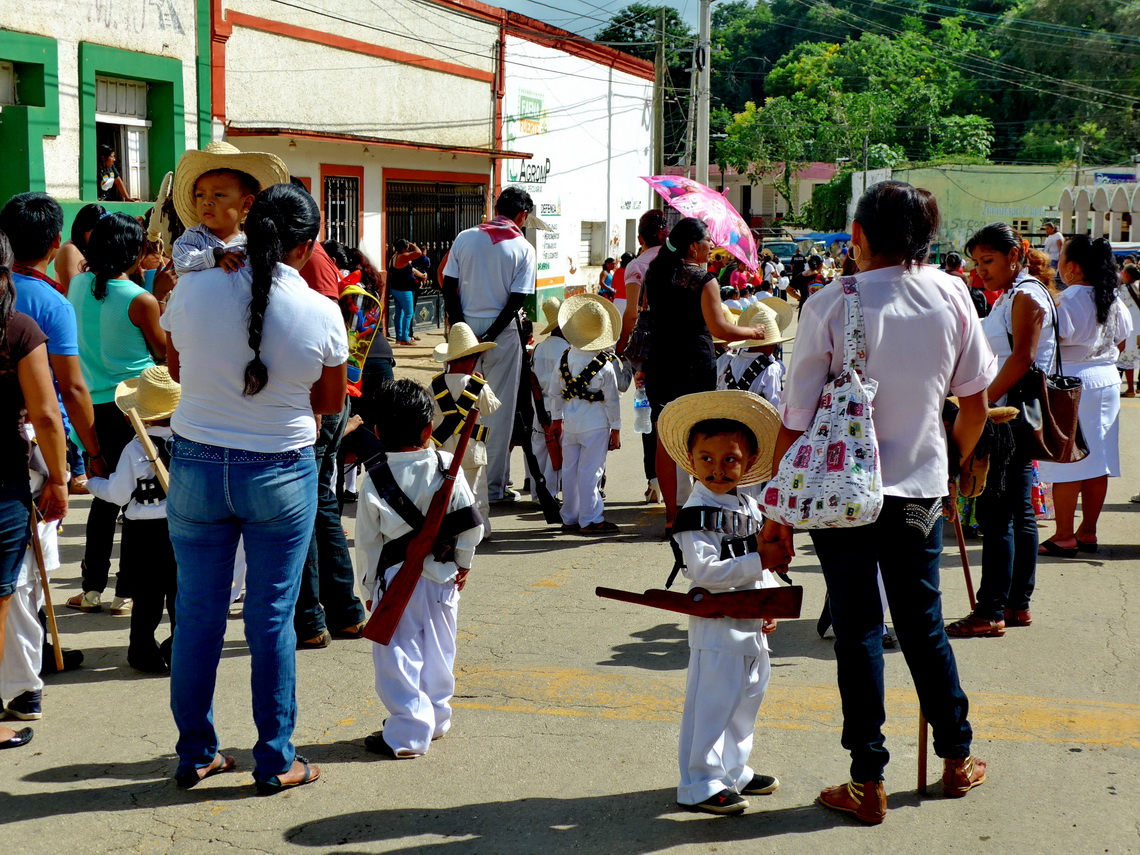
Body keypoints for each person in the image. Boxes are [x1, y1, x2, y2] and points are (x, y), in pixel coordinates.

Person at [766, 181, 994, 824]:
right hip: (920, 491)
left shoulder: (830, 303)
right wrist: (950, 462)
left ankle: (867, 780)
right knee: (923, 624)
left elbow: (795, 419)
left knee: (858, 630)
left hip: (842, 495)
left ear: (859, 236)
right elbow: (974, 403)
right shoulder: (953, 293)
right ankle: (957, 757)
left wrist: (777, 513)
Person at [161, 182, 348, 793]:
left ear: (250, 222)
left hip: (194, 464)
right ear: (309, 243)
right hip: (280, 467)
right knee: (271, 619)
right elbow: (327, 401)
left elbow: (178, 369)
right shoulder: (323, 309)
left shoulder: (191, 287)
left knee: (196, 616)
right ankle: (275, 759)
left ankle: (195, 754)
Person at [658, 390, 788, 815]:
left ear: (748, 462)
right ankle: (700, 781)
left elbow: (764, 561)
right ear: (691, 460)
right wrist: (759, 561)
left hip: (752, 624)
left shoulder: (749, 505)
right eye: (706, 458)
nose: (718, 469)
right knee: (713, 703)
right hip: (717, 625)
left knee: (747, 700)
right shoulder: (696, 513)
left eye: (730, 458)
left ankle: (734, 769)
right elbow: (705, 572)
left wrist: (768, 599)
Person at [356, 379, 484, 759]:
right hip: (444, 577)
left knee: (398, 655)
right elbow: (470, 524)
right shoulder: (448, 465)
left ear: (377, 433)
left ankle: (411, 731)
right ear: (428, 430)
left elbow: (367, 543)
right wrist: (463, 564)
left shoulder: (373, 478)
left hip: (395, 581)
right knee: (441, 649)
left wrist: (368, 590)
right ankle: (437, 716)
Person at [949, 223, 1057, 637]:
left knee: (999, 515)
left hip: (1009, 414)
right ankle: (1016, 605)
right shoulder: (1016, 293)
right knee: (1017, 512)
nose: (982, 271)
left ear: (1016, 255)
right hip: (1012, 410)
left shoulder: (1026, 294)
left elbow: (1022, 360)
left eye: (989, 261)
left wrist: (979, 403)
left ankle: (991, 609)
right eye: (978, 263)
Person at [66, 212, 165, 615]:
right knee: (139, 502)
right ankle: (127, 591)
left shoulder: (77, 284)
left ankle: (91, 588)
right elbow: (161, 354)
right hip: (135, 409)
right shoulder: (139, 299)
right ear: (137, 252)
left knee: (104, 498)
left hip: (93, 406)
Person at [642, 217, 767, 530]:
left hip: (660, 361)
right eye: (708, 241)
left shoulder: (656, 271)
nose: (712, 246)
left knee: (664, 438)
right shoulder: (702, 279)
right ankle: (704, 509)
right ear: (693, 246)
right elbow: (719, 328)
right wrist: (752, 331)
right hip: (693, 363)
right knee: (703, 438)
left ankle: (671, 516)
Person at [0, 230, 69, 742]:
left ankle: (25, 686)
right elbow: (47, 414)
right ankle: (22, 689)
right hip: (6, 478)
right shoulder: (16, 328)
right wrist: (61, 479)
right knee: (8, 593)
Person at [1, 193, 105, 492]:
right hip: (37, 442)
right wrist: (93, 453)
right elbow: (71, 388)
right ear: (56, 240)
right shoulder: (53, 304)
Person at [1036, 236, 1133, 556]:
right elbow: (1121, 342)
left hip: (1073, 385)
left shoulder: (1067, 300)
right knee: (1097, 463)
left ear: (1073, 267)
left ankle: (1064, 534)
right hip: (1106, 381)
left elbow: (1047, 345)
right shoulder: (1113, 299)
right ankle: (1087, 531)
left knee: (1068, 462)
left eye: (1060, 259)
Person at [441, 186, 537, 504]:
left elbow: (449, 284)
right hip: (501, 335)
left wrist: (462, 328)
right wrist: (489, 336)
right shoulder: (523, 247)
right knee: (498, 412)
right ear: (522, 215)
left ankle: (453, 478)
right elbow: (517, 299)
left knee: (457, 403)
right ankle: (493, 488)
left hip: (464, 329)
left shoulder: (466, 237)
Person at [83, 366, 181, 673]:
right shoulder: (192, 441)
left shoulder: (135, 448)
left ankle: (142, 652)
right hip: (185, 528)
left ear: (134, 414)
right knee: (182, 595)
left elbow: (119, 493)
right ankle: (182, 649)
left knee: (146, 598)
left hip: (144, 533)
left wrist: (91, 484)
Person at [549, 294, 623, 535]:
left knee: (570, 471)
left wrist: (557, 419)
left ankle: (569, 517)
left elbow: (555, 392)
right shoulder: (606, 364)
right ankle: (591, 518)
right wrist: (617, 428)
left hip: (570, 424)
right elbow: (612, 400)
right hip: (595, 425)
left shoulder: (565, 357)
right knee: (592, 472)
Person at [170, 141, 289, 275]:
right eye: (200, 195)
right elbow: (182, 263)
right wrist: (215, 257)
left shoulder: (254, 241)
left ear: (246, 204)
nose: (206, 202)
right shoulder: (192, 237)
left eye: (218, 194)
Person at [430, 323, 501, 530]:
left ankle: (449, 530)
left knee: (448, 491)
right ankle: (480, 530)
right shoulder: (477, 384)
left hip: (443, 450)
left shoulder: (435, 384)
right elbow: (490, 408)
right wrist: (481, 384)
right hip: (471, 449)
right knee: (475, 491)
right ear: (471, 359)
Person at [716, 303, 793, 409]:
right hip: (756, 419)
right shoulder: (771, 368)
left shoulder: (734, 360)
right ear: (771, 345)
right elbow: (774, 402)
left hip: (731, 414)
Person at [530, 297, 570, 495]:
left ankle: (539, 493)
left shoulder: (539, 348)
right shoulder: (568, 351)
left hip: (539, 405)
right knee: (559, 450)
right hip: (559, 407)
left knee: (540, 449)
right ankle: (552, 493)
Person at [54, 203, 106, 295]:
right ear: (84, 230)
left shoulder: (88, 250)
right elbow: (74, 294)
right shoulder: (70, 250)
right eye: (97, 232)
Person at [389, 238, 426, 345]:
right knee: (409, 313)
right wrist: (412, 244)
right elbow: (418, 253)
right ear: (405, 248)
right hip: (404, 290)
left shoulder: (394, 257)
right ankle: (405, 337)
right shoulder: (403, 256)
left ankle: (399, 337)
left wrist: (422, 275)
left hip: (396, 288)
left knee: (399, 313)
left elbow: (411, 270)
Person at [1117, 263, 1140, 397]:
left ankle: (1130, 388)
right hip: (1139, 328)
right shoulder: (1138, 287)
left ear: (1126, 275)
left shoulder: (1123, 290)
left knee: (1128, 359)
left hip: (1132, 329)